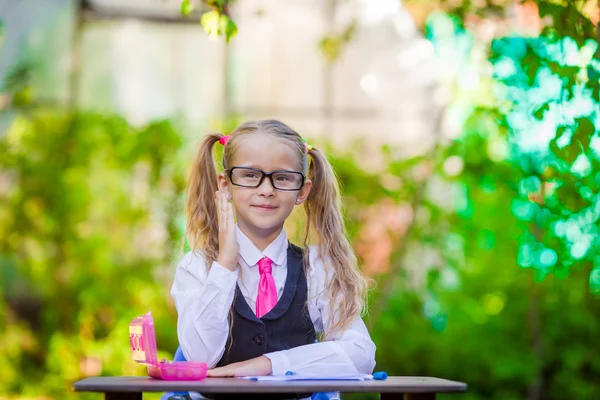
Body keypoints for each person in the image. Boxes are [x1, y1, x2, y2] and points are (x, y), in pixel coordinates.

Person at [170, 119, 376, 390]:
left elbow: (361, 354)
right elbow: (200, 358)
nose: (266, 189)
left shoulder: (316, 268)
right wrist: (225, 265)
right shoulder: (198, 266)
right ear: (225, 184)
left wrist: (269, 365)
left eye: (282, 178)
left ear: (302, 191)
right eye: (250, 175)